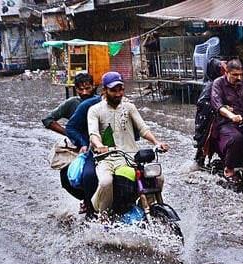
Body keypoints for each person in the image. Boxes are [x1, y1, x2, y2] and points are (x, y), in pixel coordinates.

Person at [88, 71, 170, 213]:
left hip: (131, 157)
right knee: (106, 182)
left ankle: (146, 209)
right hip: (107, 158)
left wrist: (157, 142)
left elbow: (143, 128)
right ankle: (103, 215)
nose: (118, 94)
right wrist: (100, 146)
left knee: (158, 177)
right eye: (113, 90)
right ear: (104, 90)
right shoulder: (95, 110)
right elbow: (93, 134)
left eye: (121, 90)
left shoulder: (129, 107)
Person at [42, 73, 97, 211]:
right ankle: (86, 199)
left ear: (94, 87)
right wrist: (70, 133)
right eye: (80, 89)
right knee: (67, 178)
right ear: (75, 89)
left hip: (100, 144)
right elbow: (48, 120)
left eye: (88, 88)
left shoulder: (100, 102)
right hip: (80, 146)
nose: (84, 92)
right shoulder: (72, 103)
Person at [193, 57, 225, 166]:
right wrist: (219, 108)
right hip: (209, 119)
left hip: (221, 116)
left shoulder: (226, 83)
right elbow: (202, 103)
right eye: (222, 68)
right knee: (204, 141)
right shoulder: (211, 86)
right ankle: (199, 162)